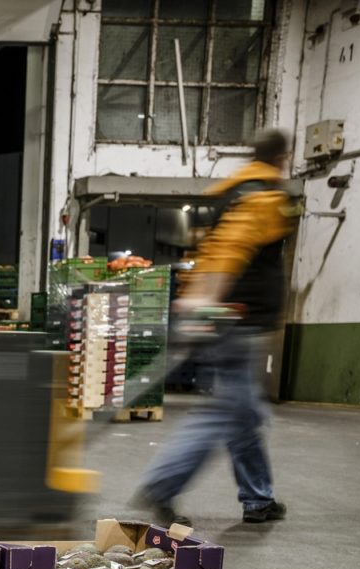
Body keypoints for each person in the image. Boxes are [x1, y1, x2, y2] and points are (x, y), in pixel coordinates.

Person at [132, 127, 300, 526]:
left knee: (243, 412)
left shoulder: (232, 193)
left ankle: (259, 498)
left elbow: (212, 249)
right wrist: (204, 301)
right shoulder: (262, 196)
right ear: (282, 157)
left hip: (226, 316)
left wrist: (194, 300)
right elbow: (230, 250)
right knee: (226, 411)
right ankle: (163, 484)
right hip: (235, 319)